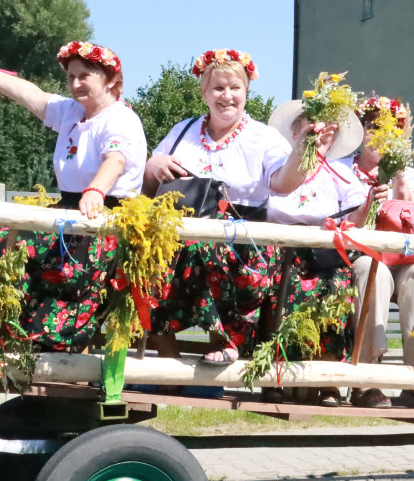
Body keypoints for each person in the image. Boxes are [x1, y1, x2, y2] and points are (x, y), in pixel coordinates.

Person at [143, 49, 337, 362]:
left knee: (201, 247)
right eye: (218, 88)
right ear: (204, 92)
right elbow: (147, 192)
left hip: (245, 247)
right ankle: (168, 365)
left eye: (235, 88)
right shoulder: (183, 131)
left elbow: (283, 183)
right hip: (180, 234)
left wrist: (303, 149)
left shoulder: (264, 137)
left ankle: (222, 341)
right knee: (143, 256)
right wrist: (152, 166)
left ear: (246, 91)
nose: (227, 96)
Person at [0, 41, 146, 352]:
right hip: (67, 213)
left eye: (84, 76)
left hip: (103, 219)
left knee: (48, 263)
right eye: (71, 77)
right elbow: (30, 94)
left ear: (110, 79)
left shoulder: (120, 118)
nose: (75, 83)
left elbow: (116, 159)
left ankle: (31, 343)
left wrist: (96, 189)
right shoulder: (72, 112)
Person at [262, 100, 366, 406]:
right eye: (312, 129)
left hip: (324, 252)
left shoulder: (339, 173)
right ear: (297, 133)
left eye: (327, 132)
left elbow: (358, 210)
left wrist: (371, 200)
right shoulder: (279, 164)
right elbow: (270, 204)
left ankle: (329, 381)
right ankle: (273, 376)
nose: (320, 136)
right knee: (281, 288)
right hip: (282, 248)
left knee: (336, 287)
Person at [335, 96, 414, 409]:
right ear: (361, 131)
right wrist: (366, 207)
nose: (380, 135)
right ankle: (368, 379)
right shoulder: (341, 172)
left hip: (404, 260)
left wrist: (402, 188)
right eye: (374, 127)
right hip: (359, 256)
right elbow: (336, 226)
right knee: (370, 270)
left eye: (390, 130)